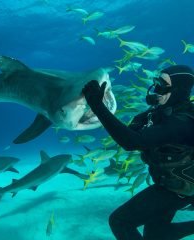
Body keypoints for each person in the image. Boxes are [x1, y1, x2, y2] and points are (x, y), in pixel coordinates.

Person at [82, 65, 194, 240]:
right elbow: (130, 132)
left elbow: (131, 142)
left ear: (178, 90)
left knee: (120, 221)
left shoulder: (182, 121)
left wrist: (97, 106)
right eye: (156, 82)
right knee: (157, 234)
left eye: (162, 85)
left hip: (180, 190)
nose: (156, 88)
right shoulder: (159, 113)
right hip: (170, 183)